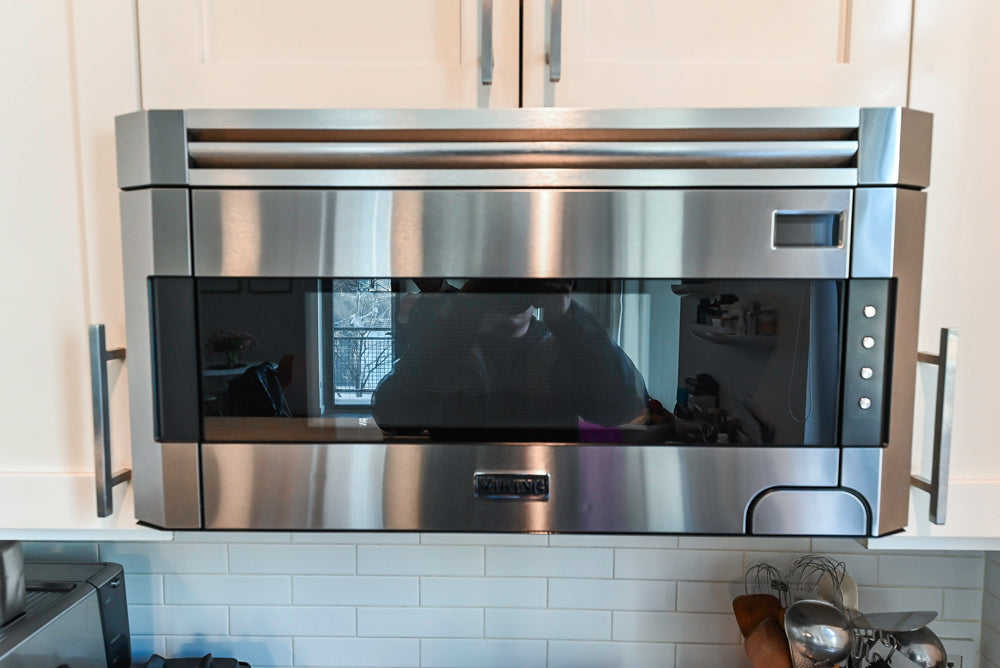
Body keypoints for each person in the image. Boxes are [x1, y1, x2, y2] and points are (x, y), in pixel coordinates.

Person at [371, 278, 648, 441]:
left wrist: (566, 318)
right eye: (498, 280)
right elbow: (392, 415)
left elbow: (624, 408)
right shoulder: (450, 349)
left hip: (546, 504)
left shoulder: (565, 350)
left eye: (521, 280)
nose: (509, 292)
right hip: (454, 500)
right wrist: (453, 324)